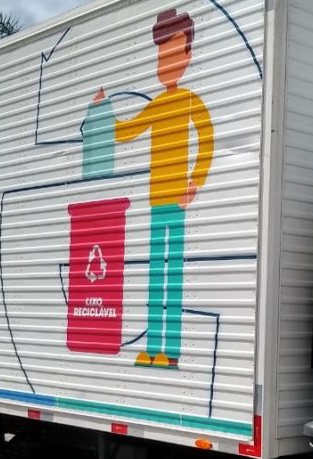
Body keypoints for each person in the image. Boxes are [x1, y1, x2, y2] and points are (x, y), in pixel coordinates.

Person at [94, 9, 214, 369]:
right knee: (154, 280)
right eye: (161, 57)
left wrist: (195, 182)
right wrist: (105, 112)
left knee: (171, 278)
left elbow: (207, 139)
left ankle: (170, 350)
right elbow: (128, 131)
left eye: (172, 56)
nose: (165, 65)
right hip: (155, 202)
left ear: (188, 57)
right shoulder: (159, 104)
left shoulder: (190, 100)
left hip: (176, 202)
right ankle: (153, 348)